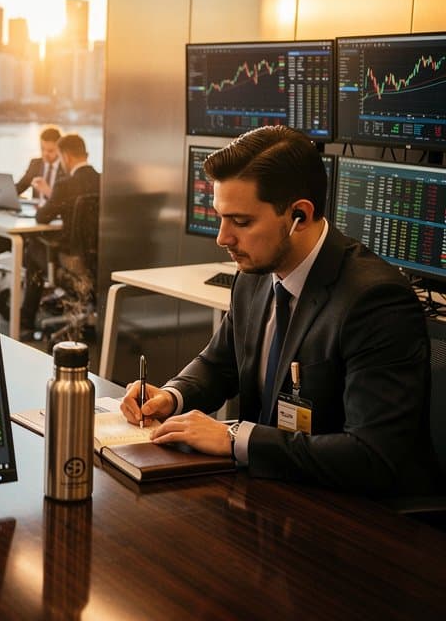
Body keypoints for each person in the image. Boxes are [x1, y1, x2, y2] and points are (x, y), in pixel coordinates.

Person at [121, 126, 435, 496]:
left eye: (241, 222)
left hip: (360, 513)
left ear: (299, 215)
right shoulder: (255, 275)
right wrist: (172, 397)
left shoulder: (376, 300)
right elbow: (220, 363)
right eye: (221, 217)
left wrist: (234, 437)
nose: (223, 238)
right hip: (276, 492)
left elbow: (371, 456)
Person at [17, 133, 100, 333]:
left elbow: (42, 217)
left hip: (75, 262)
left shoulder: (65, 185)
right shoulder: (104, 181)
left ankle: (26, 319)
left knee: (33, 249)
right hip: (100, 260)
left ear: (66, 157)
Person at [15, 125, 67, 201]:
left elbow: (67, 201)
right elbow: (20, 187)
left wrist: (48, 191)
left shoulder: (66, 168)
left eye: (50, 151)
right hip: (36, 211)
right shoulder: (35, 164)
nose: (45, 154)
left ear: (60, 149)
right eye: (42, 149)